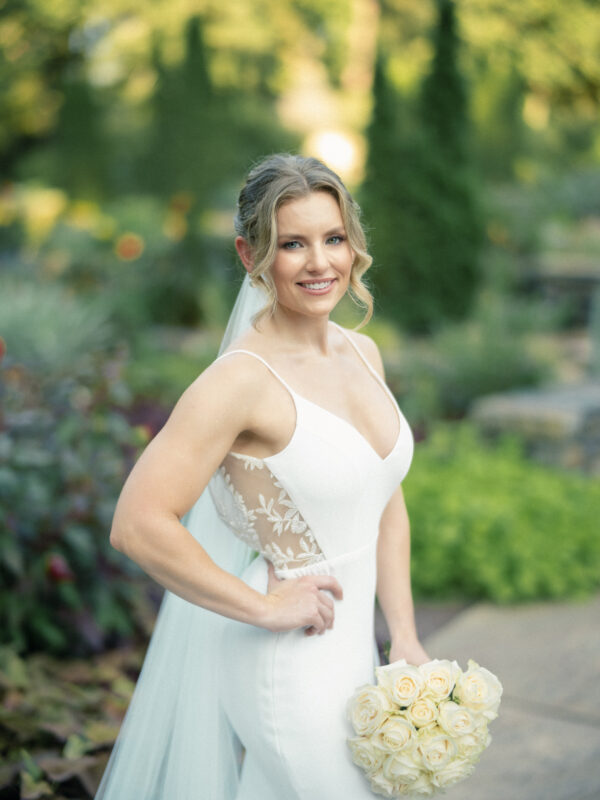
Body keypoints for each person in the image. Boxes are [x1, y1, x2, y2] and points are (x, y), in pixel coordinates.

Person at [95, 154, 429, 800]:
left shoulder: (364, 353)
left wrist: (407, 636)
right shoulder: (240, 381)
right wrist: (264, 607)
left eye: (333, 239)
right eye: (293, 245)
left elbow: (386, 504)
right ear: (251, 255)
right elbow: (136, 523)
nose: (320, 263)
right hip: (290, 664)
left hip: (358, 653)